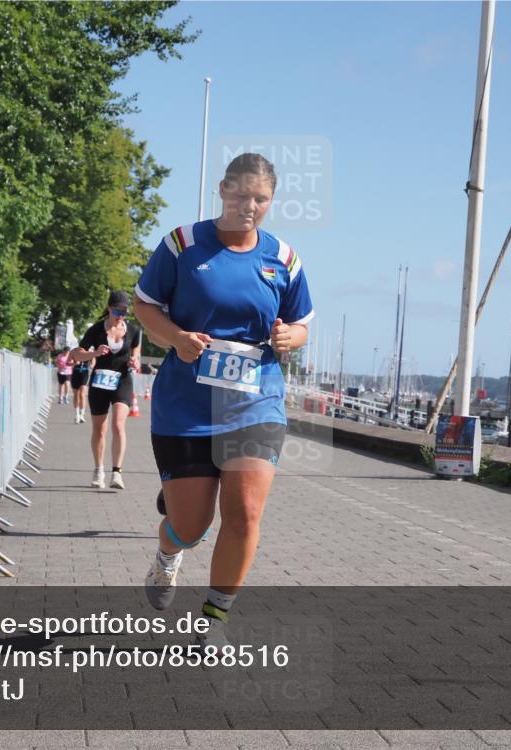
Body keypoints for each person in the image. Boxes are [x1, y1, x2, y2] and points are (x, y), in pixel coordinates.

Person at [133, 152, 313, 651]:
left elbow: (301, 325)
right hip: (186, 407)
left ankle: (215, 618)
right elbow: (144, 304)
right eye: (240, 195)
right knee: (191, 526)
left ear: (271, 200)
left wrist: (289, 339)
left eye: (261, 198)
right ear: (222, 190)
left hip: (255, 403)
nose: (249, 206)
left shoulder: (284, 258)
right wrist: (175, 337)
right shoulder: (182, 244)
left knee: (245, 515)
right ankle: (169, 552)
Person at [72, 291, 141, 490]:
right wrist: (94, 352)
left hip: (122, 381)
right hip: (100, 383)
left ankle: (117, 473)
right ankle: (98, 470)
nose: (120, 315)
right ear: (109, 308)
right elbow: (77, 355)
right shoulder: (95, 330)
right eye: (117, 311)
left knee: (118, 426)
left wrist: (134, 362)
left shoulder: (134, 331)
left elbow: (136, 355)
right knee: (99, 430)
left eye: (124, 311)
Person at [70, 348, 92, 424]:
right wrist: (74, 364)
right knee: (76, 395)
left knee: (82, 395)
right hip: (75, 373)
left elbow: (93, 361)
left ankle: (82, 415)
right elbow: (68, 363)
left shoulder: (90, 352)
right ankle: (77, 415)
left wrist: (92, 365)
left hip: (85, 373)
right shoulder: (73, 351)